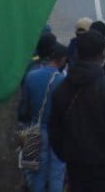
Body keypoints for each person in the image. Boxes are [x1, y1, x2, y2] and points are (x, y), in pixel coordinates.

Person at [48, 29, 105, 192]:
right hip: (103, 170)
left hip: (74, 167)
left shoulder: (62, 88)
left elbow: (54, 129)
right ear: (102, 53)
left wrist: (67, 155)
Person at [19, 43, 68, 192]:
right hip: (56, 132)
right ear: (62, 59)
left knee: (37, 172)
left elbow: (24, 107)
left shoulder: (31, 76)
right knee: (56, 173)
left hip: (34, 129)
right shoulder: (63, 81)